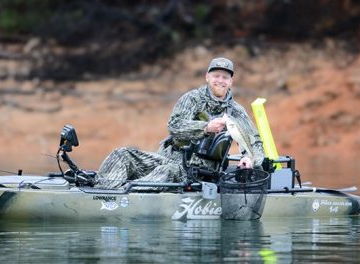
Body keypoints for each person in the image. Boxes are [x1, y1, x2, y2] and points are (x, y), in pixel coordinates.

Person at [94, 57, 264, 189]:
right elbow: (174, 126)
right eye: (216, 76)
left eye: (225, 77)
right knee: (122, 154)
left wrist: (250, 159)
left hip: (198, 172)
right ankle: (102, 194)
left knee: (167, 172)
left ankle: (126, 197)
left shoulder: (236, 111)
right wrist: (205, 128)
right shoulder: (192, 99)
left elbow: (255, 141)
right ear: (207, 77)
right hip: (167, 158)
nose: (220, 80)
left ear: (231, 82)